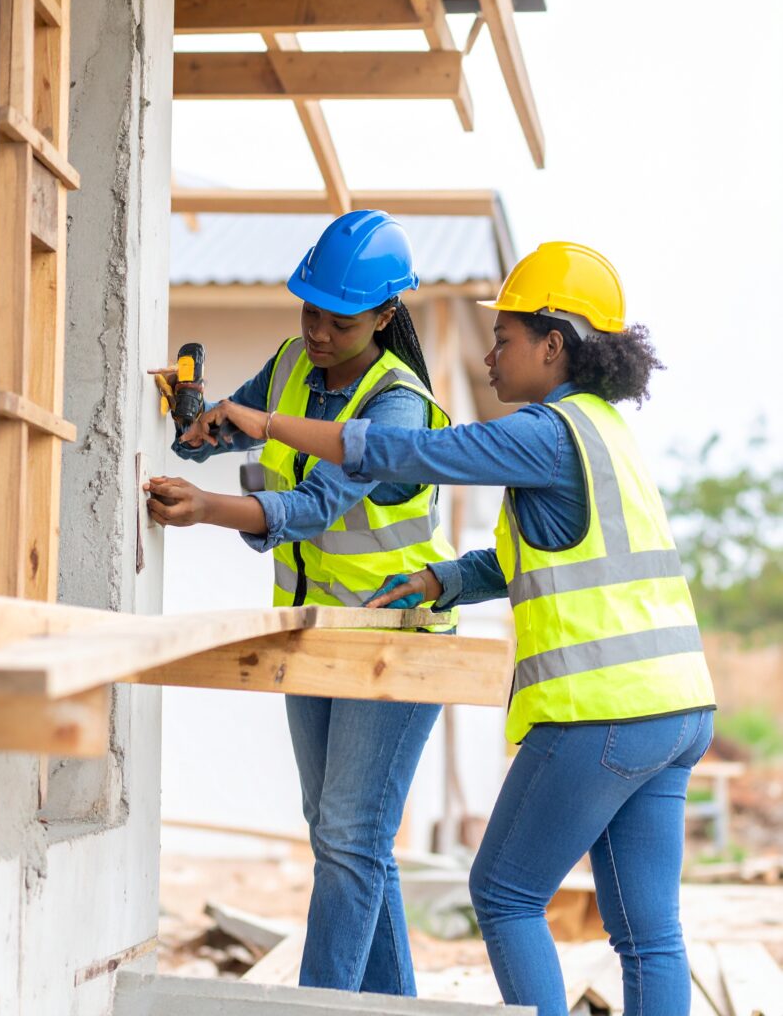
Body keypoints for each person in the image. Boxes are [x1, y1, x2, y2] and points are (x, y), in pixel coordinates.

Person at [198, 241, 717, 1016]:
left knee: (504, 893)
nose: (488, 356)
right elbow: (549, 553)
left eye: (504, 339)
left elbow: (410, 451)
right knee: (649, 935)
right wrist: (446, 580)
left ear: (553, 345)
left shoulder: (545, 432)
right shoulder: (604, 431)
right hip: (679, 709)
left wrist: (265, 422)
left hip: (603, 712)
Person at [146, 210, 458, 996]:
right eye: (310, 311)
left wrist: (207, 509)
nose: (318, 333)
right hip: (316, 630)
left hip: (397, 639)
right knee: (344, 838)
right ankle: (392, 1009)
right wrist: (194, 419)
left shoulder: (399, 405)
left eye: (339, 322)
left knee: (351, 840)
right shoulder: (292, 364)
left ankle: (318, 1007)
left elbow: (316, 506)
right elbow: (226, 431)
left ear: (384, 317)